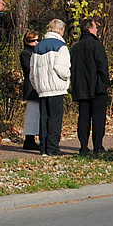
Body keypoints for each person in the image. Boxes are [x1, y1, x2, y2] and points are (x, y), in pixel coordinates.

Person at [30, 19, 71, 156]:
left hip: (42, 88)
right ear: (60, 30)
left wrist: (36, 86)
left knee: (44, 118)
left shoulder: (38, 47)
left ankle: (44, 148)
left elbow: (32, 71)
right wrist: (67, 77)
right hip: (56, 87)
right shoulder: (61, 46)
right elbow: (62, 69)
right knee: (55, 118)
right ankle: (53, 148)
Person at [71, 17, 110, 154]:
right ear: (90, 29)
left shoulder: (75, 48)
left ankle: (83, 146)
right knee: (98, 119)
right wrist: (106, 83)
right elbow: (102, 66)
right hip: (97, 87)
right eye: (95, 27)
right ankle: (98, 146)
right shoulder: (96, 45)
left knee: (83, 118)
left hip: (81, 88)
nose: (97, 29)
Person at [18, 31, 41, 150]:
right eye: (33, 41)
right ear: (27, 42)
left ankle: (39, 136)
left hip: (39, 85)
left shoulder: (38, 52)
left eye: (38, 40)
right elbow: (28, 70)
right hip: (31, 86)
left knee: (40, 113)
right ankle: (29, 138)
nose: (36, 43)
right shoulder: (25, 54)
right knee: (32, 113)